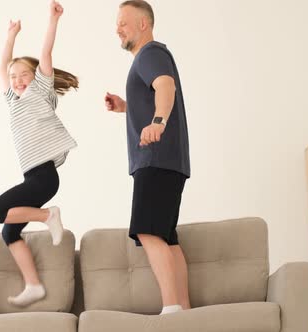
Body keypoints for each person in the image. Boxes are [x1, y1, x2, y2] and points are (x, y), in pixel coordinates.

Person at [0, 0, 78, 307]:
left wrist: (53, 20)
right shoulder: (13, 101)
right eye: (14, 78)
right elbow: (1, 68)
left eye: (23, 74)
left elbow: (46, 53)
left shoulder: (41, 91)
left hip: (44, 177)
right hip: (34, 177)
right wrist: (10, 35)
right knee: (9, 232)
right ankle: (33, 285)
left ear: (35, 76)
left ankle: (48, 215)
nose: (17, 80)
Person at [104, 0, 191, 315]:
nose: (118, 29)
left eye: (123, 22)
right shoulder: (150, 57)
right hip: (169, 161)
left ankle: (171, 308)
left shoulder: (150, 53)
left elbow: (165, 87)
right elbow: (156, 95)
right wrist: (125, 106)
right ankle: (184, 310)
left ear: (143, 24)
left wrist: (157, 123)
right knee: (167, 238)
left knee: (148, 231)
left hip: (155, 160)